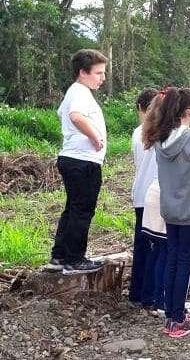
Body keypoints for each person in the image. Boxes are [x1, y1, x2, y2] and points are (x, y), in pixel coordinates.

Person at [143, 87, 190, 338]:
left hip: (169, 209)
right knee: (185, 263)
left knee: (172, 260)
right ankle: (176, 320)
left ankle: (171, 312)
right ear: (189, 111)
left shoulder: (160, 138)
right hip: (189, 210)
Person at [46, 49, 109, 275]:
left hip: (73, 159)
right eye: (98, 73)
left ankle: (60, 256)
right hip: (82, 161)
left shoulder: (75, 92)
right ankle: (74, 259)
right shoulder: (80, 92)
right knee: (82, 210)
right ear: (83, 72)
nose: (103, 78)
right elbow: (76, 116)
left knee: (72, 209)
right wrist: (95, 136)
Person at [129, 88, 161, 306]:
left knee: (142, 245)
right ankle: (149, 295)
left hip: (140, 194)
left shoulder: (137, 131)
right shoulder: (159, 133)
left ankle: (137, 293)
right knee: (154, 247)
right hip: (154, 195)